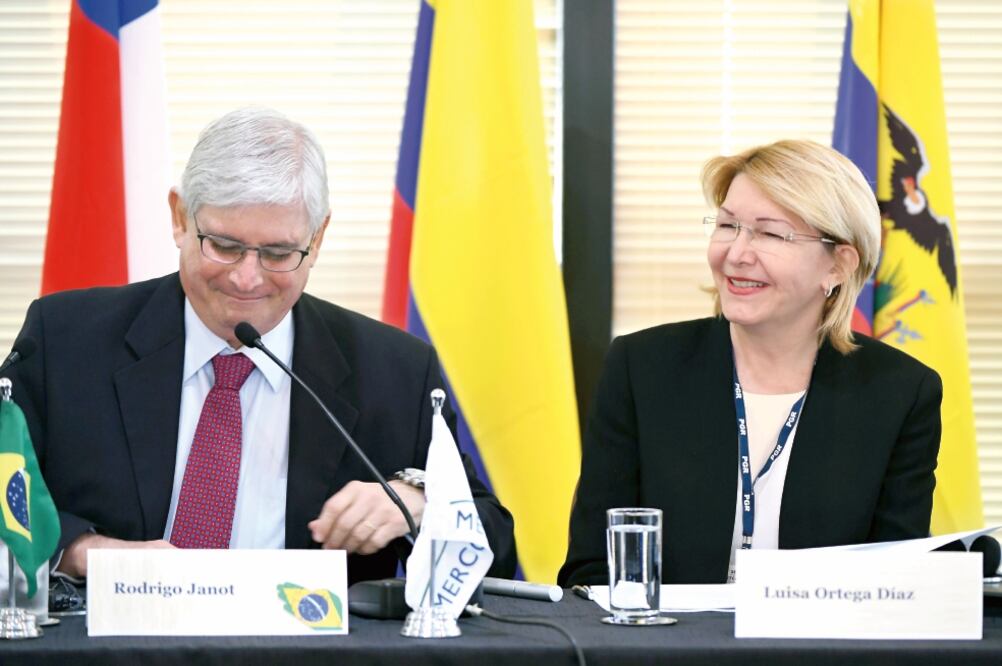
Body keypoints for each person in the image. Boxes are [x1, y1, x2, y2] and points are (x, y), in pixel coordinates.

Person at [9, 107, 516, 583]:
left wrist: (416, 503)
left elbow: (494, 545)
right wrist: (84, 553)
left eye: (277, 253)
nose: (247, 279)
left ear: (316, 239)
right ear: (180, 217)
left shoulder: (396, 371)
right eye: (225, 246)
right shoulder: (67, 340)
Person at [558, 139, 942, 586]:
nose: (737, 253)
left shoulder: (900, 392)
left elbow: (896, 585)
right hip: (667, 648)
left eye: (771, 233)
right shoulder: (641, 369)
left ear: (838, 265)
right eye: (727, 225)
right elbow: (590, 569)